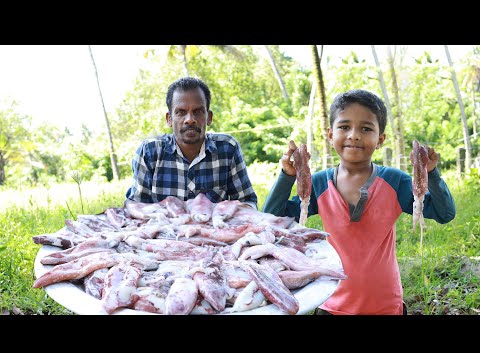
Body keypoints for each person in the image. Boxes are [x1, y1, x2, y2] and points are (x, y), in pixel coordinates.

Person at [262, 89, 456, 315]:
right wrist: (286, 177)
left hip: (384, 305)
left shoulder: (396, 182)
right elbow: (272, 219)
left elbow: (445, 214)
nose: (354, 135)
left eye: (366, 128)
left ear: (380, 139)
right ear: (330, 134)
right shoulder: (318, 184)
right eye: (344, 127)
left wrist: (431, 173)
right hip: (330, 302)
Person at [126, 76, 257, 208]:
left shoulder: (228, 149)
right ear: (169, 119)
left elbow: (246, 201)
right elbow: (137, 209)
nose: (189, 119)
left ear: (209, 117)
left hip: (216, 227)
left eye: (198, 111)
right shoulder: (149, 152)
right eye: (181, 112)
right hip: (164, 228)